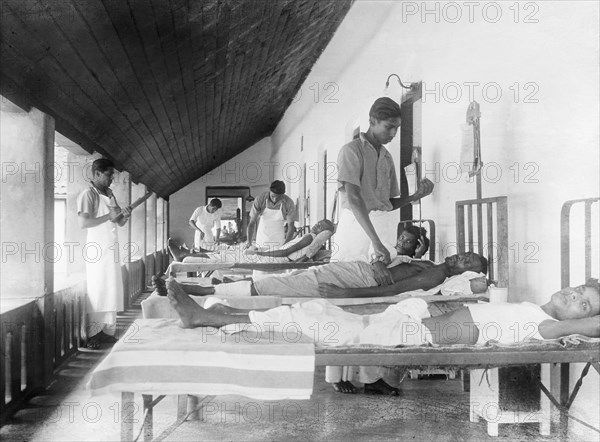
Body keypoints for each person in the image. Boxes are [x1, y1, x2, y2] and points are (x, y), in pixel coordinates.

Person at [165, 276, 600, 350]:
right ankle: (222, 313)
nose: (575, 297)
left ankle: (205, 317)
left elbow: (593, 324)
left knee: (311, 321)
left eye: (584, 303)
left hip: (414, 336)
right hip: (408, 320)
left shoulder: (548, 325)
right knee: (313, 308)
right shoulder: (526, 303)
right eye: (579, 289)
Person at [328, 224, 430, 395]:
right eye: (401, 238)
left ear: (417, 246)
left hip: (379, 299)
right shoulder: (388, 249)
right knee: (345, 329)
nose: (401, 242)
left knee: (373, 334)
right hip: (359, 286)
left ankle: (372, 381)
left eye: (408, 242)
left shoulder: (413, 263)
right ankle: (337, 378)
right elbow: (375, 260)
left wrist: (417, 256)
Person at [153, 251, 487, 301]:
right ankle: (190, 287)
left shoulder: (434, 276)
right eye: (464, 252)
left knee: (273, 285)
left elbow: (393, 290)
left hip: (357, 281)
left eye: (466, 261)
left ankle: (191, 291)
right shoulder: (431, 263)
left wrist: (345, 295)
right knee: (282, 279)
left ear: (467, 271)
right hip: (356, 270)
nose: (460, 256)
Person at [335, 97, 434, 264]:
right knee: (347, 276)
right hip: (357, 226)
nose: (394, 133)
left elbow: (387, 203)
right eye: (389, 127)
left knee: (380, 280)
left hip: (381, 226)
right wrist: (375, 241)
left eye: (397, 128)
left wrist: (415, 196)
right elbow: (354, 199)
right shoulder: (351, 151)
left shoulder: (386, 157)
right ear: (372, 121)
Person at [77, 158, 132, 349]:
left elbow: (118, 222)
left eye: (113, 175)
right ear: (97, 174)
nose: (111, 179)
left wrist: (124, 215)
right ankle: (92, 335)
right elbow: (84, 223)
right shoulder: (88, 194)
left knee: (112, 289)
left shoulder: (110, 194)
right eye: (109, 175)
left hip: (111, 248)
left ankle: (107, 332)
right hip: (96, 250)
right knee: (98, 290)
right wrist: (108, 216)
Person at [246, 180, 296, 249]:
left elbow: (291, 227)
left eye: (278, 197)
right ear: (269, 191)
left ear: (283, 194)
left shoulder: (288, 203)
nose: (275, 200)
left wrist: (285, 245)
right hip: (262, 238)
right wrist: (249, 242)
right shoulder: (260, 199)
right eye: (273, 196)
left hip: (279, 241)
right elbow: (251, 223)